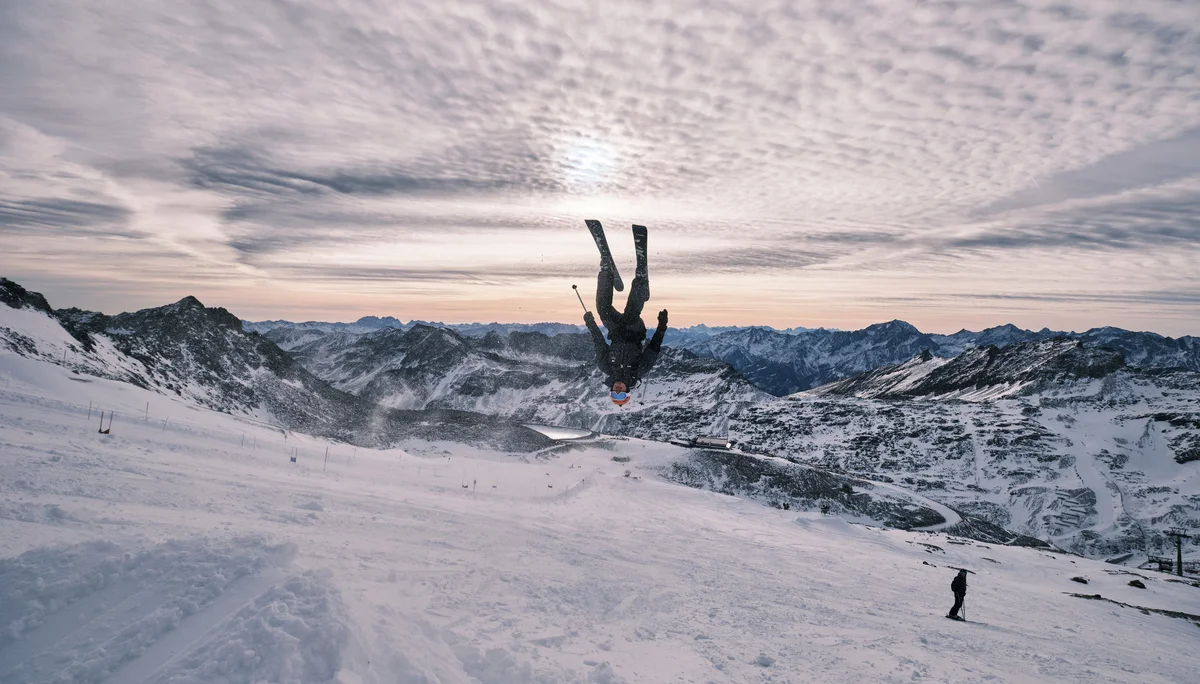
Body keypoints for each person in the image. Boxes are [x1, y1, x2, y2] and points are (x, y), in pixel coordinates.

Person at [583, 229, 668, 405]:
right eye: (622, 395)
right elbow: (653, 348)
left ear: (611, 390)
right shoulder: (639, 371)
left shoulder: (606, 367)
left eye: (615, 394)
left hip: (615, 330)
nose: (618, 391)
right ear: (628, 391)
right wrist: (662, 325)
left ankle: (606, 269)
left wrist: (591, 324)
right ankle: (641, 280)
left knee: (602, 309)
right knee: (630, 315)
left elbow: (599, 343)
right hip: (634, 331)